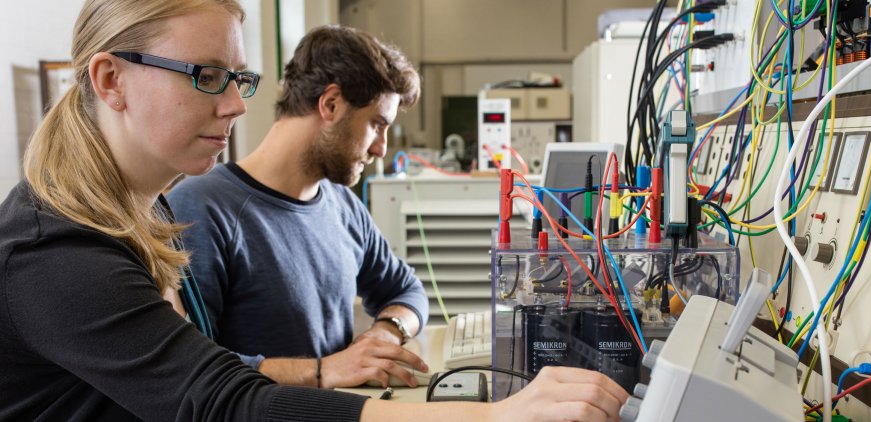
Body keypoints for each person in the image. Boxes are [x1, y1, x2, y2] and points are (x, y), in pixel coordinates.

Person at [0, 0, 630, 420]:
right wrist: (491, 416)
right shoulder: (55, 249)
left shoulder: (147, 212)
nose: (237, 106)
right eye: (206, 75)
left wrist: (383, 338)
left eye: (238, 79)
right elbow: (215, 395)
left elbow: (195, 372)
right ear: (111, 81)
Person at [166, 25, 430, 389]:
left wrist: (385, 334)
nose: (380, 148)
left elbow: (406, 291)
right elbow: (186, 371)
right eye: (376, 125)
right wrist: (323, 372)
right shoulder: (200, 209)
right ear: (331, 104)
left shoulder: (342, 206)